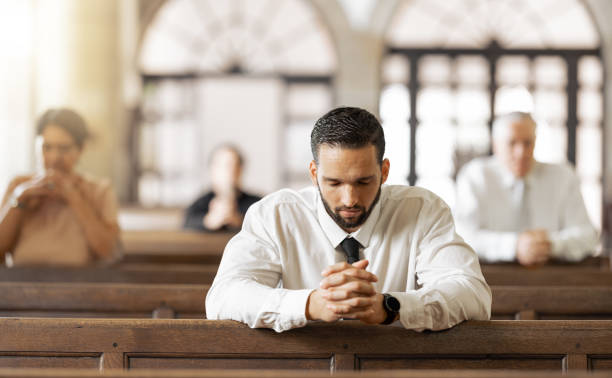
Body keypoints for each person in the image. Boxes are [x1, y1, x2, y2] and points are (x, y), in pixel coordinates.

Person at [206, 107, 491, 333]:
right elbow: (223, 297)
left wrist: (391, 306)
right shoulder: (274, 215)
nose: (349, 199)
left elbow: (472, 293)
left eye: (364, 181)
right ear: (314, 174)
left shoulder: (423, 210)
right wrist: (309, 304)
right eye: (333, 183)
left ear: (385, 171)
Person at [455, 112, 599, 266]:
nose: (521, 153)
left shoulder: (563, 176)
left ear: (535, 142)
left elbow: (588, 236)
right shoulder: (475, 176)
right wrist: (514, 246)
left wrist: (551, 245)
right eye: (512, 143)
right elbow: (463, 236)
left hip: (554, 277)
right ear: (496, 145)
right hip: (490, 280)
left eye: (527, 143)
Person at [0, 108, 120, 266]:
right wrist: (19, 200)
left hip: (80, 287)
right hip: (21, 286)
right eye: (46, 147)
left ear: (81, 149)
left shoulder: (99, 190)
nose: (54, 158)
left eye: (64, 149)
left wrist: (74, 197)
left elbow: (108, 252)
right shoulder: (19, 186)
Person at [183, 144, 261, 232]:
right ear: (212, 170)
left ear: (240, 170)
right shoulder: (200, 203)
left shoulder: (257, 204)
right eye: (223, 165)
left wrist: (239, 221)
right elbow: (185, 224)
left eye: (234, 165)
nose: (229, 171)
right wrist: (209, 221)